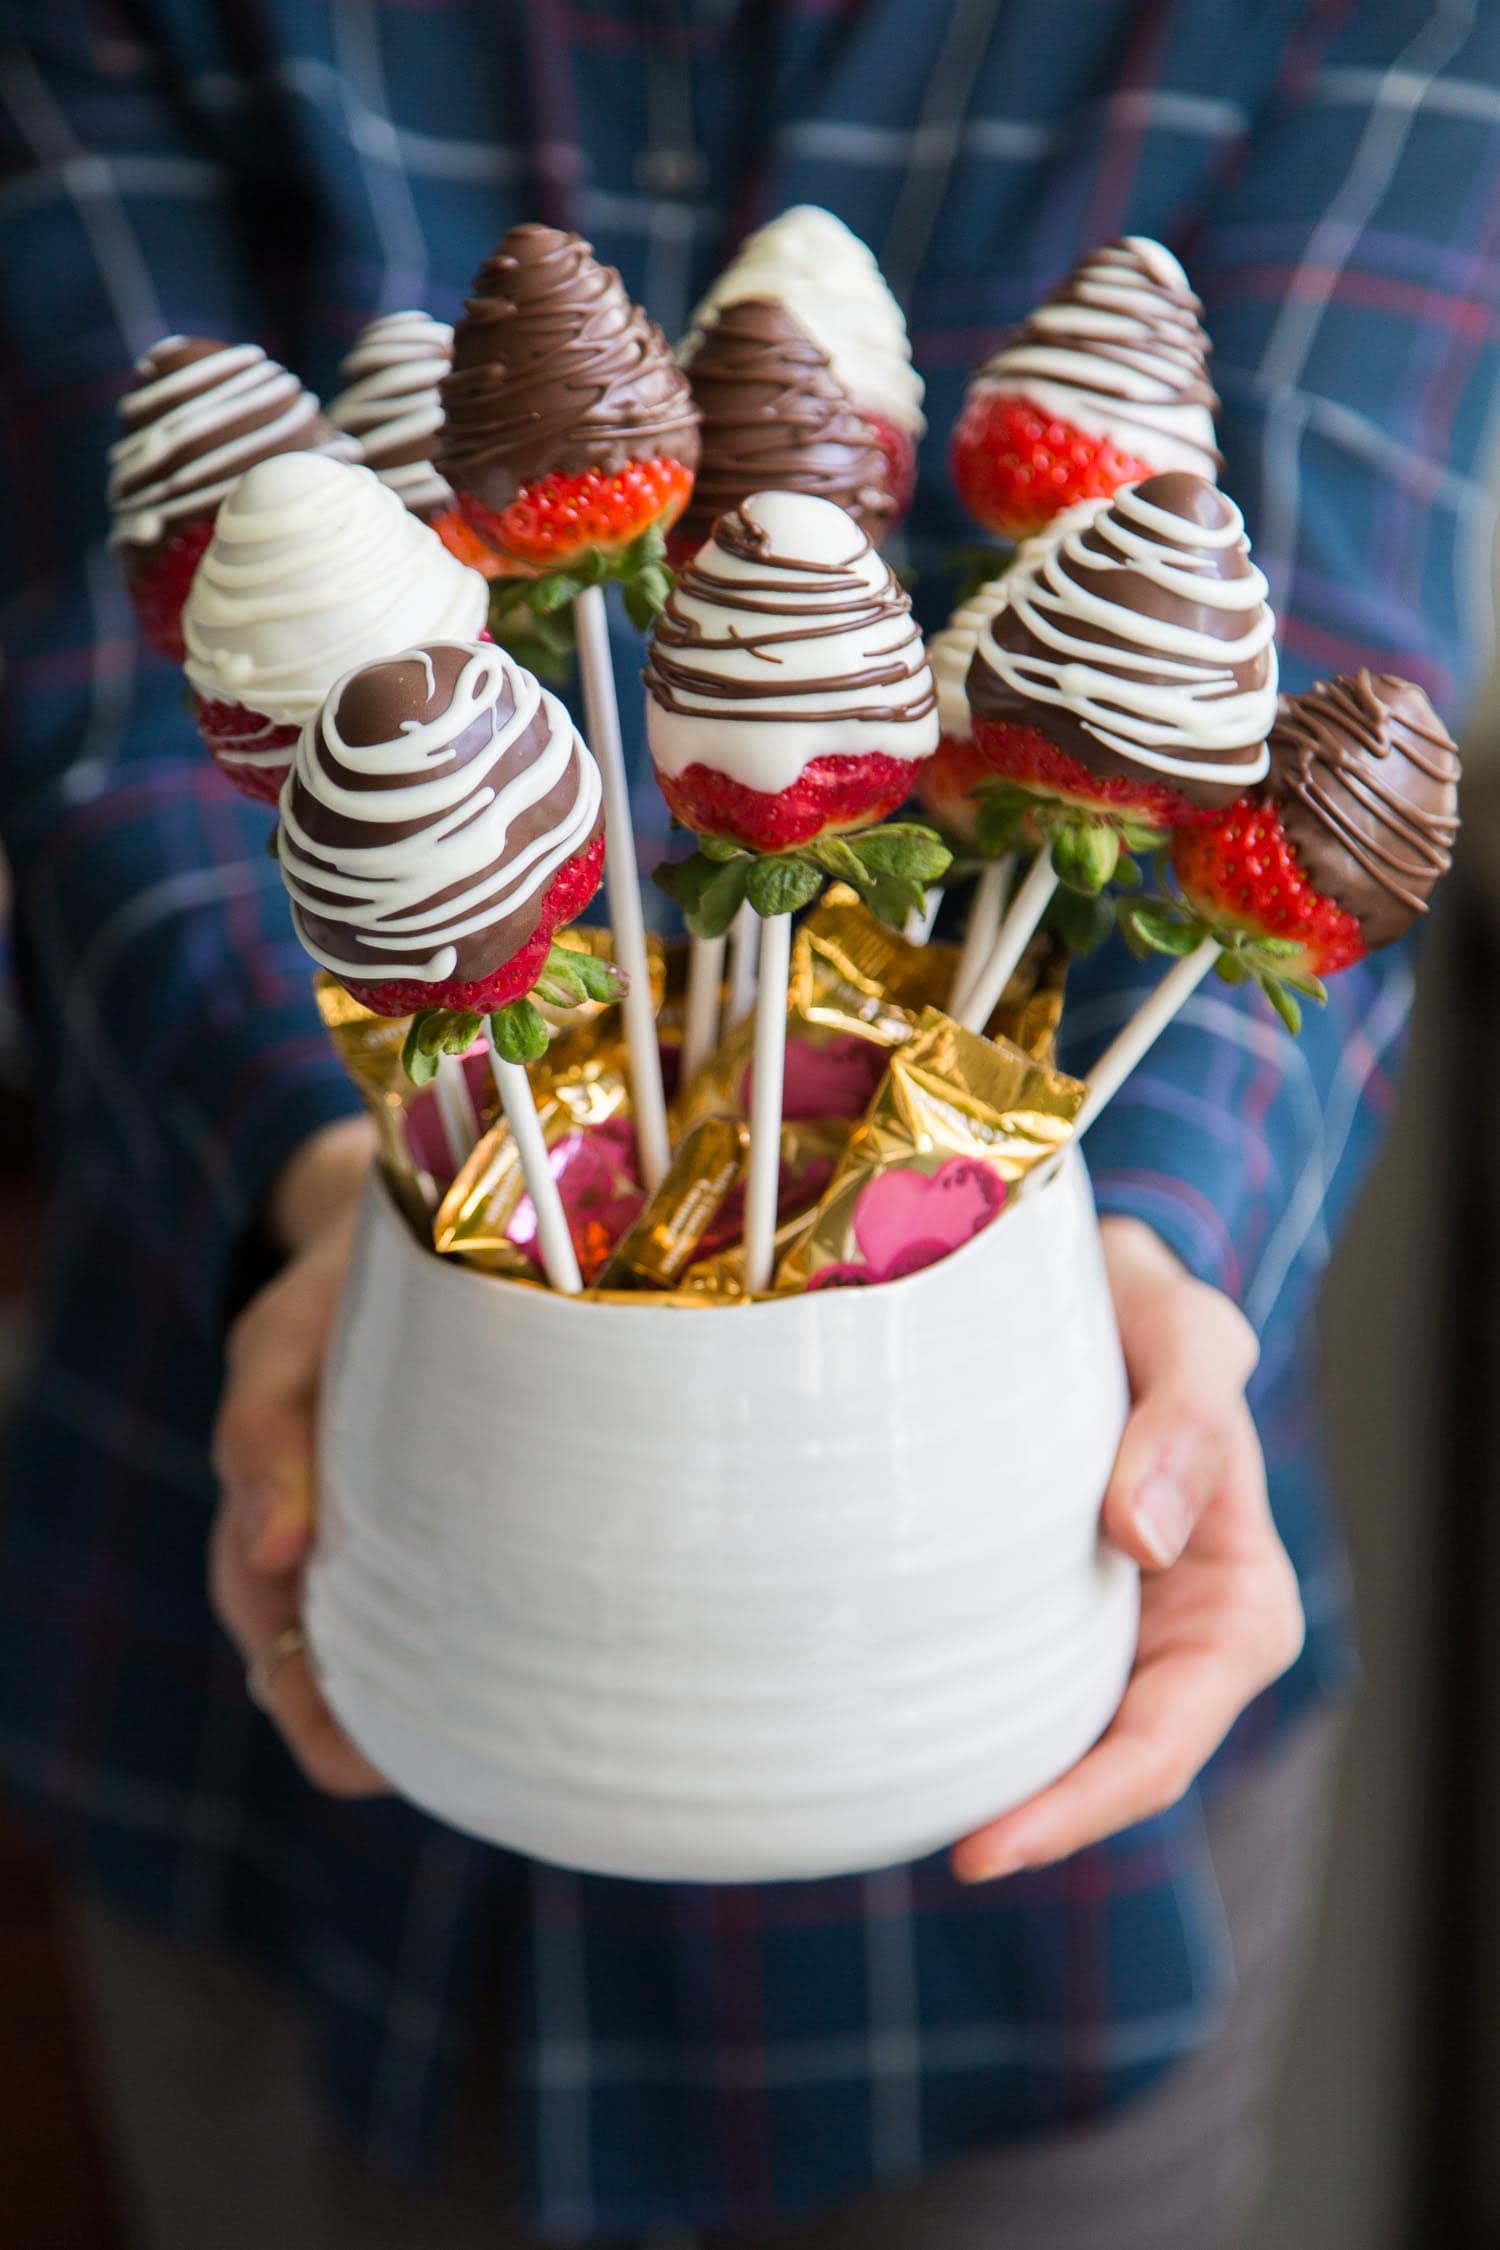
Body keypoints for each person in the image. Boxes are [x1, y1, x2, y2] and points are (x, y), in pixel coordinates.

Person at [1, 4, 1496, 2245]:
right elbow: (106, 702)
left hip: (1035, 1713)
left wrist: (1151, 1249)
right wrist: (352, 1186)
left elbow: (1320, 643)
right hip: (257, 1668)